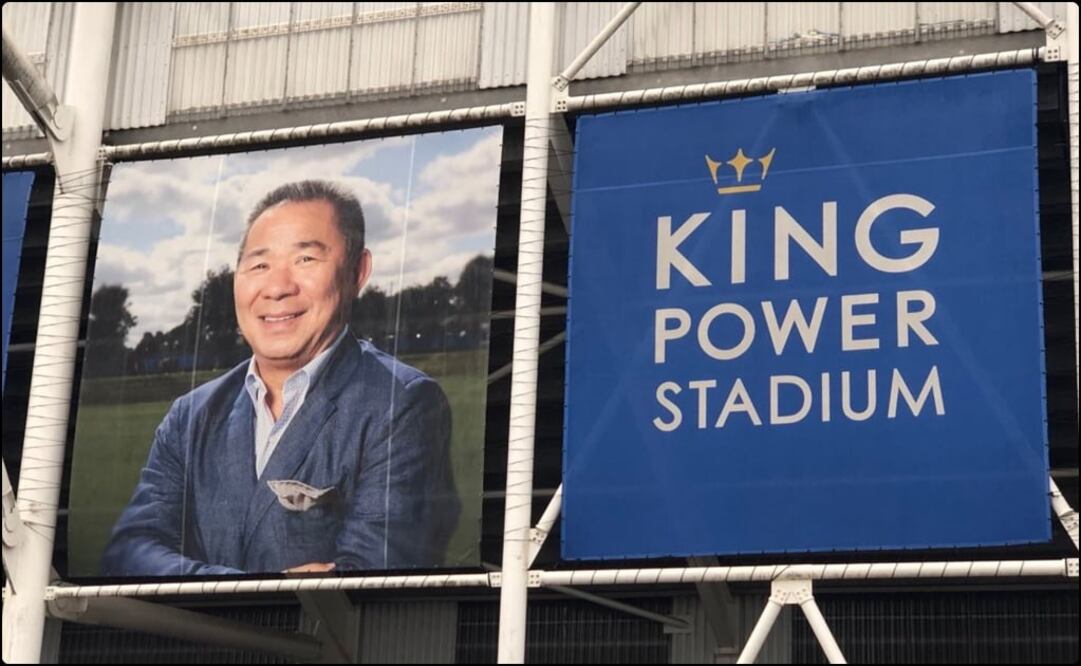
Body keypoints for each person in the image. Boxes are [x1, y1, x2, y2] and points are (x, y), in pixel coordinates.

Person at [101, 180, 460, 576]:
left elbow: (373, 574)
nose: (277, 287)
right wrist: (256, 589)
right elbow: (130, 552)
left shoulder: (401, 402)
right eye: (259, 265)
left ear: (357, 271)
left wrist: (197, 590)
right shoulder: (191, 416)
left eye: (305, 259)